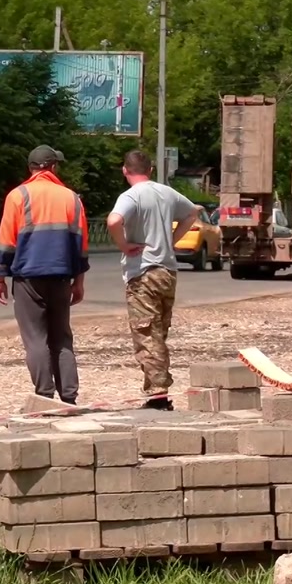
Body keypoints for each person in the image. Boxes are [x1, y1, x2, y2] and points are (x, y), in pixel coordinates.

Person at [0, 145, 90, 405]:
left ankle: (44, 396)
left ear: (31, 168)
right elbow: (81, 244)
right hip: (61, 278)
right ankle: (69, 398)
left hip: (28, 278)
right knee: (62, 338)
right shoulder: (72, 198)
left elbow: (6, 241)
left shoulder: (18, 196)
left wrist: (0, 276)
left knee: (36, 339)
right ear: (53, 167)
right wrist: (78, 281)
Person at [106, 149, 199, 410]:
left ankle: (159, 395)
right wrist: (171, 240)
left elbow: (113, 220)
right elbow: (193, 213)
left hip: (143, 272)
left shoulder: (131, 195)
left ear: (125, 170)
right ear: (151, 170)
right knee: (159, 333)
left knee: (147, 335)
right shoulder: (167, 192)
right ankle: (154, 392)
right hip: (167, 272)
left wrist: (124, 245)